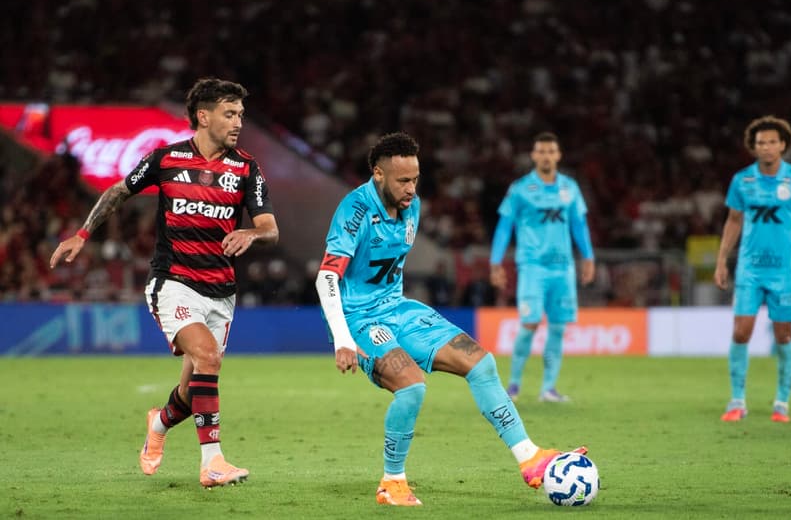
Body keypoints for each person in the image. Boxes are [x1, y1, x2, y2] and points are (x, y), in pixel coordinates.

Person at [315, 132, 586, 506]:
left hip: (397, 309)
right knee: (411, 386)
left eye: (415, 179)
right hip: (358, 319)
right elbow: (327, 276)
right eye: (402, 181)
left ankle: (530, 458)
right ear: (378, 174)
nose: (411, 189)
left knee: (481, 361)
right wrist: (343, 338)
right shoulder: (355, 210)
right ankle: (392, 482)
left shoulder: (412, 206)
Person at [50, 77, 279, 486]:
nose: (238, 122)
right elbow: (118, 192)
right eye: (230, 114)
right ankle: (212, 462)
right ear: (203, 116)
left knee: (195, 392)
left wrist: (253, 233)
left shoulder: (246, 168)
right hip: (173, 282)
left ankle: (158, 424)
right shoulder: (165, 159)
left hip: (221, 292)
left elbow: (270, 227)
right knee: (207, 357)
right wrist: (82, 234)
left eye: (241, 115)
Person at [714, 115, 791, 423]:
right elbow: (733, 221)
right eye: (761, 143)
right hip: (750, 269)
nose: (767, 147)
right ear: (753, 147)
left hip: (786, 272)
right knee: (740, 331)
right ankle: (736, 401)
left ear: (783, 145)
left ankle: (781, 403)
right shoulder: (742, 181)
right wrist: (722, 260)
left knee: (784, 335)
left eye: (772, 141)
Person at [489, 132, 595, 403]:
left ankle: (548, 388)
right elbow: (504, 227)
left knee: (558, 327)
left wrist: (588, 257)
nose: (546, 156)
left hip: (563, 269)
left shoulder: (570, 188)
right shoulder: (521, 189)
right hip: (533, 267)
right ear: (534, 155)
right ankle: (513, 385)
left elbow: (578, 225)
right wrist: (495, 261)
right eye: (541, 151)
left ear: (558, 155)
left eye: (551, 151)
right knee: (530, 323)